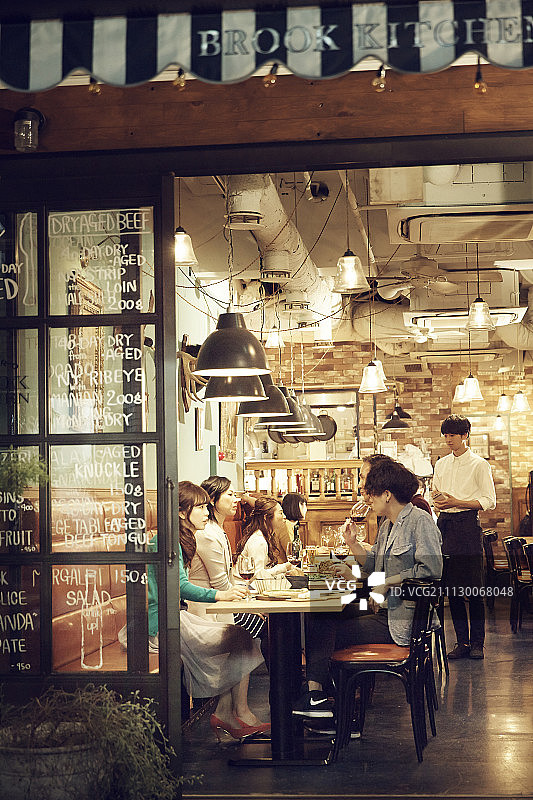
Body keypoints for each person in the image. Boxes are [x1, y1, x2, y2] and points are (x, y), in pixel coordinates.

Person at [293, 459, 442, 720]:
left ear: (387, 494)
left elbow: (432, 569)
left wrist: (390, 581)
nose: (366, 497)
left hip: (400, 622)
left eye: (370, 492)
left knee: (322, 633)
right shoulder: (387, 525)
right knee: (321, 616)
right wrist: (352, 545)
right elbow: (375, 566)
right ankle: (323, 701)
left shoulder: (419, 521)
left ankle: (327, 703)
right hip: (383, 611)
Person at [147, 481, 268, 741]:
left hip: (174, 618)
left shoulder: (178, 537)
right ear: (182, 512)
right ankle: (230, 713)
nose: (206, 512)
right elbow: (178, 587)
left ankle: (225, 712)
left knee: (239, 637)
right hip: (162, 624)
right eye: (200, 507)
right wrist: (219, 595)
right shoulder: (169, 541)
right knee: (239, 638)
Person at [431, 414, 496, 660]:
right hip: (445, 524)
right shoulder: (442, 463)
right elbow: (436, 493)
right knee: (452, 590)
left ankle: (478, 643)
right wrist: (437, 501)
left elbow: (489, 501)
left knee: (474, 589)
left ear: (465, 435)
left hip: (468, 525)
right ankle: (462, 643)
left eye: (453, 435)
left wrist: (457, 501)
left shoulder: (480, 464)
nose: (448, 440)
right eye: (445, 435)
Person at [188, 475, 266, 639]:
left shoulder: (216, 529)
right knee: (265, 628)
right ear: (213, 499)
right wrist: (247, 606)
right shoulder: (207, 533)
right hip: (207, 611)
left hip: (221, 604)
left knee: (268, 623)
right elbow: (220, 583)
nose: (236, 500)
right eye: (230, 495)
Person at [234, 495, 292, 578]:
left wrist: (284, 569)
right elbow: (257, 576)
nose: (284, 517)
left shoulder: (265, 536)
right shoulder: (258, 540)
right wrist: (284, 568)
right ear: (266, 517)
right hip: (244, 587)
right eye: (280, 513)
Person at [279, 492, 307, 561]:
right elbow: (293, 554)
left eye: (305, 505)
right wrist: (315, 551)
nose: (306, 509)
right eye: (302, 504)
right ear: (292, 506)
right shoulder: (286, 525)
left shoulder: (293, 525)